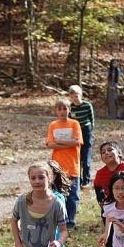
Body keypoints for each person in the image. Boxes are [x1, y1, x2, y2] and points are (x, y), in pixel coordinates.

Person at [44, 97, 83, 228]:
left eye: (65, 108)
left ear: (69, 110)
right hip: (57, 167)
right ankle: (59, 220)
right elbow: (50, 144)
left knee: (73, 196)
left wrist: (58, 143)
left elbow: (77, 142)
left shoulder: (74, 124)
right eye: (59, 109)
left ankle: (70, 221)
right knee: (58, 195)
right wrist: (68, 143)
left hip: (73, 166)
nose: (62, 111)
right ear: (56, 111)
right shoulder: (53, 125)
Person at [47, 160, 75, 247]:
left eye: (47, 174)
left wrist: (58, 245)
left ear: (54, 177)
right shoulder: (33, 197)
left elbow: (61, 225)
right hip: (39, 243)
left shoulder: (58, 198)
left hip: (56, 242)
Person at [68, 85, 95, 187]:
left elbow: (92, 120)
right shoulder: (71, 107)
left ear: (81, 95)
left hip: (86, 130)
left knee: (86, 157)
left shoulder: (87, 105)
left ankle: (86, 180)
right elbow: (70, 122)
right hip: (76, 133)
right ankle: (78, 179)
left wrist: (91, 133)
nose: (75, 98)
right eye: (73, 96)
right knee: (78, 158)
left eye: (77, 96)